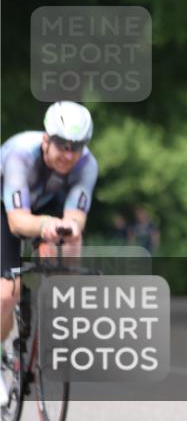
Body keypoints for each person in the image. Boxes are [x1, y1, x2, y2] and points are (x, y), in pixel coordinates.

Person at [1, 102, 97, 406]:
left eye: (77, 147)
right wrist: (45, 225)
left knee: (71, 237)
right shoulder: (20, 155)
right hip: (7, 210)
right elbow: (17, 222)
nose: (69, 154)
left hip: (47, 206)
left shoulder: (87, 165)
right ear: (46, 139)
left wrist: (67, 228)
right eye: (63, 145)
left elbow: (76, 218)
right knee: (7, 294)